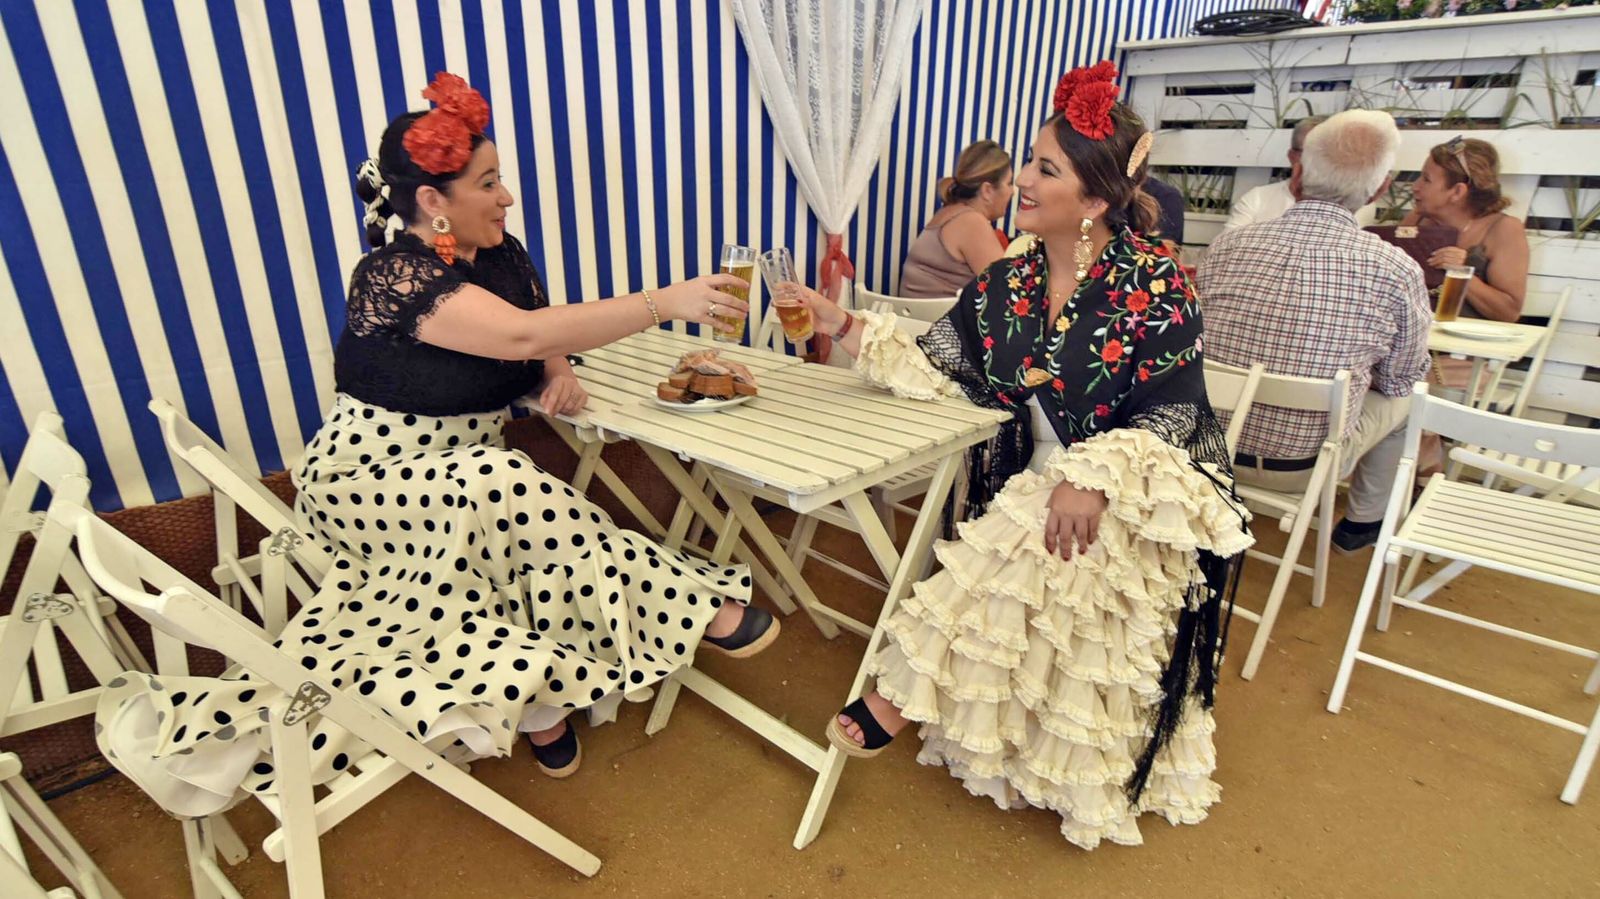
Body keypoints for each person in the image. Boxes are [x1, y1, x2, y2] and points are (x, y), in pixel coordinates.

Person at [94, 75, 780, 813]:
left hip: (457, 468)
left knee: (495, 501)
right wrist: (661, 303)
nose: (507, 196)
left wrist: (555, 369)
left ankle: (542, 711)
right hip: (368, 474)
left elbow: (534, 320)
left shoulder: (501, 253)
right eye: (488, 182)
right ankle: (694, 608)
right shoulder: (391, 277)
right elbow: (515, 332)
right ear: (433, 200)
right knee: (502, 483)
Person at [794, 62, 1252, 849]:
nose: (1025, 183)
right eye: (1029, 164)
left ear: (1097, 199)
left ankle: (900, 697)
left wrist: (1092, 474)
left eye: (1046, 169)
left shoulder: (1157, 286)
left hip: (1139, 482)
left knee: (1043, 524)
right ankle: (961, 716)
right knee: (1033, 519)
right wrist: (842, 324)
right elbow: (944, 362)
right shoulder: (1011, 275)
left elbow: (1177, 412)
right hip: (1035, 480)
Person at [1199, 110, 1431, 554]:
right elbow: (1400, 378)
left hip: (1204, 444)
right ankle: (1361, 525)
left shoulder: (1227, 246)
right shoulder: (1396, 271)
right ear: (1381, 187)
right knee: (1411, 396)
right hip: (1303, 465)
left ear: (1301, 171)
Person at [1402, 136, 1528, 323]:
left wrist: (1461, 273)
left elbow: (1508, 312)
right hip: (1417, 338)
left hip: (1465, 346)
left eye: (1426, 179)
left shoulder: (1503, 229)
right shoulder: (1417, 219)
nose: (1415, 186)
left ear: (1457, 192)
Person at [1222, 116, 1377, 232]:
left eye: (1330, 154)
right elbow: (1225, 250)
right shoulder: (1258, 198)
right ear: (1292, 157)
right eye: (1311, 153)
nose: (1321, 161)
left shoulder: (1358, 204)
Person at [900, 140, 1013, 298]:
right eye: (1009, 183)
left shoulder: (948, 213)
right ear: (987, 190)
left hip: (913, 319)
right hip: (935, 321)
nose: (1013, 192)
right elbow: (1007, 293)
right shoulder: (972, 223)